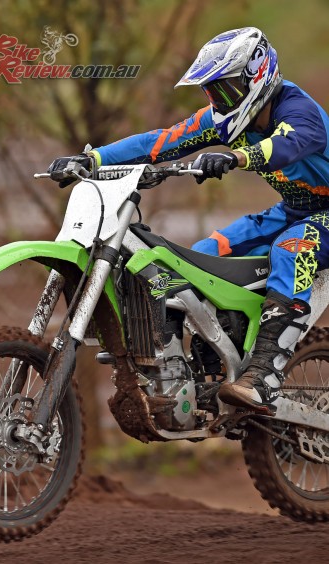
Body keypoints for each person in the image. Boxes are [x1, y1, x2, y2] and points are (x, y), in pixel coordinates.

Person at [47, 27, 329, 414]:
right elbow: (160, 141)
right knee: (201, 255)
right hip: (295, 209)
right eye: (212, 92)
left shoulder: (299, 111)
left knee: (292, 251)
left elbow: (286, 144)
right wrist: (92, 159)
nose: (218, 100)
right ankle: (203, 367)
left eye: (226, 90)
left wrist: (236, 157)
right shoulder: (226, 119)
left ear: (257, 75)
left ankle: (264, 376)